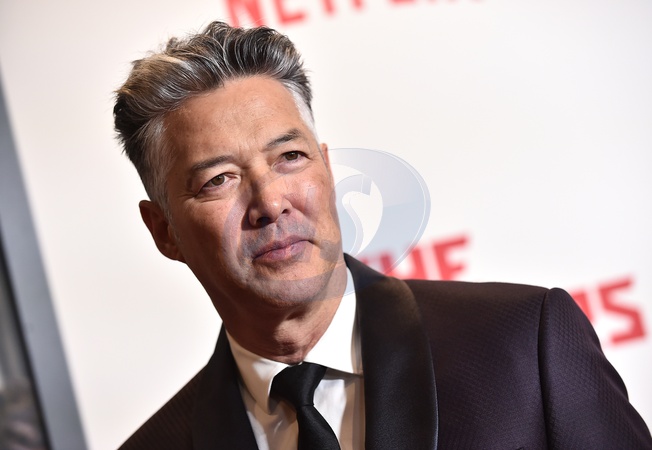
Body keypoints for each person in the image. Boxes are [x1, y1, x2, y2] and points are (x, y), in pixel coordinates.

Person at [113, 21, 652, 450]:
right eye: (219, 180)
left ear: (326, 170)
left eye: (290, 157)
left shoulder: (524, 342)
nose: (271, 202)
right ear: (164, 232)